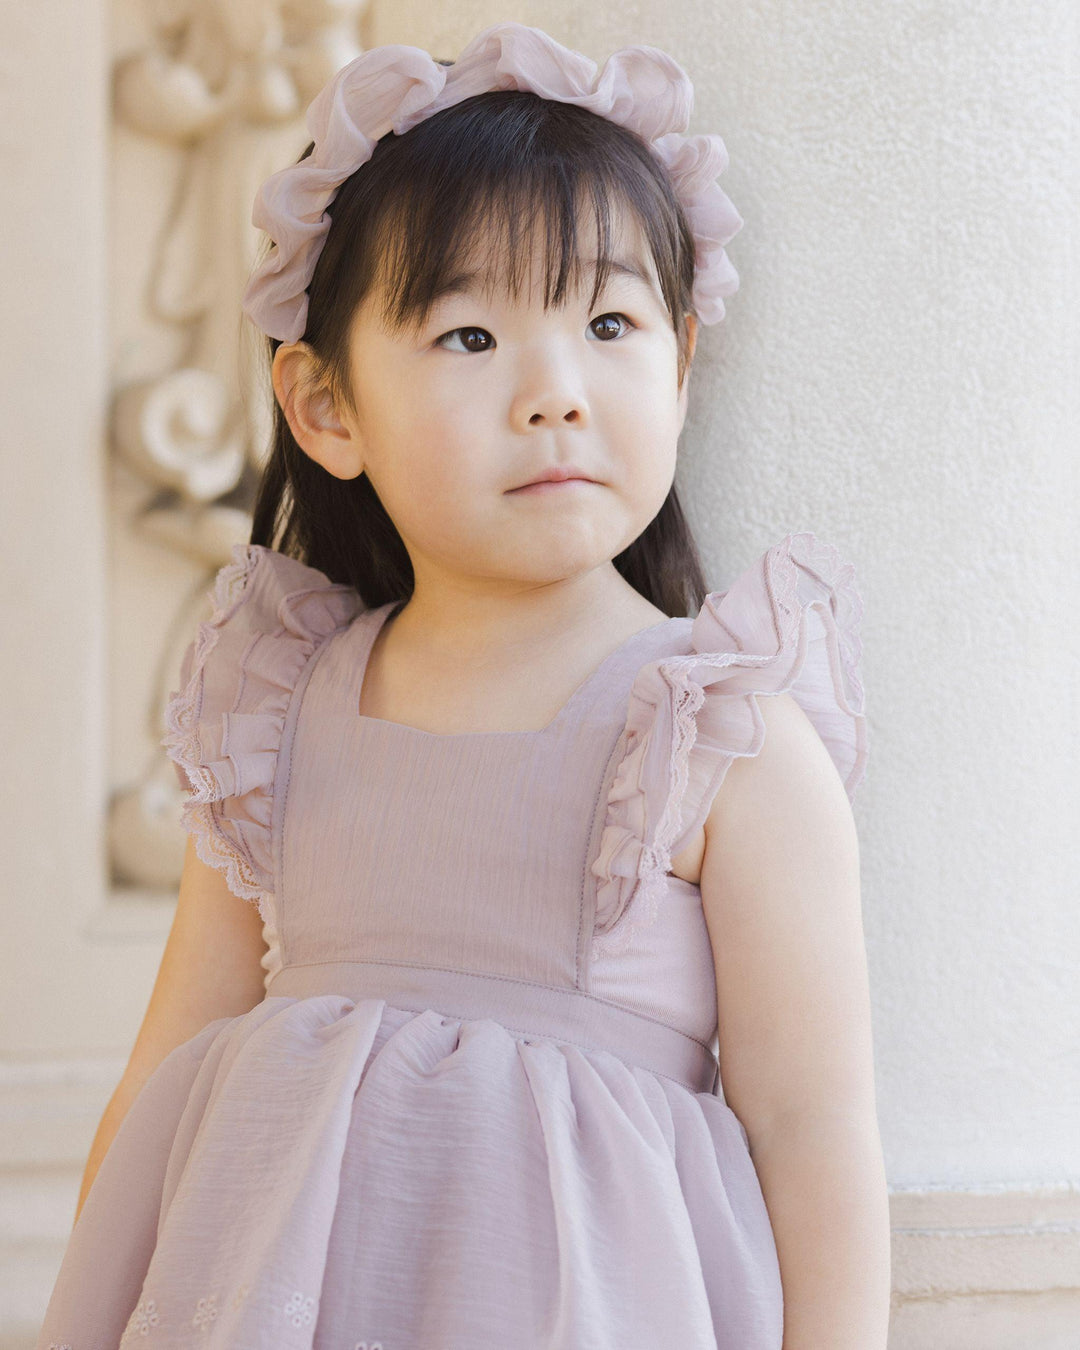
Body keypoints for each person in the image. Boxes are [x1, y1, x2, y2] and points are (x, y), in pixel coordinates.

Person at [37, 20, 890, 1350]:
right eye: (471, 334)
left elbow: (809, 1126)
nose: (555, 393)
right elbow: (163, 1075)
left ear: (679, 367)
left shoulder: (717, 739)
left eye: (608, 323)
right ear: (326, 408)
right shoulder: (274, 716)